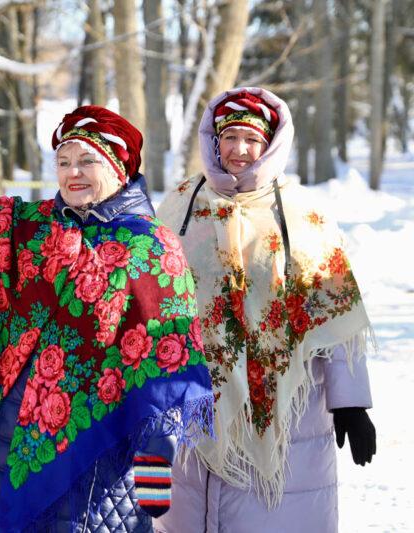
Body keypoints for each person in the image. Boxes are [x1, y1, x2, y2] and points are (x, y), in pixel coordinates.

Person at [0, 74, 214, 532]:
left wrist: (157, 452)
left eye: (87, 161)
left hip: (102, 446)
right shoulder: (41, 228)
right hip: (22, 433)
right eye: (64, 161)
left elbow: (166, 355)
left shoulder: (152, 248)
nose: (72, 172)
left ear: (119, 167)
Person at [154, 88, 376, 533]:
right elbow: (150, 297)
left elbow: (333, 313)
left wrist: (350, 404)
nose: (240, 150)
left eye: (252, 139)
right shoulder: (180, 204)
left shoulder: (299, 214)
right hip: (194, 404)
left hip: (284, 417)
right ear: (213, 140)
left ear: (271, 144)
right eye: (230, 136)